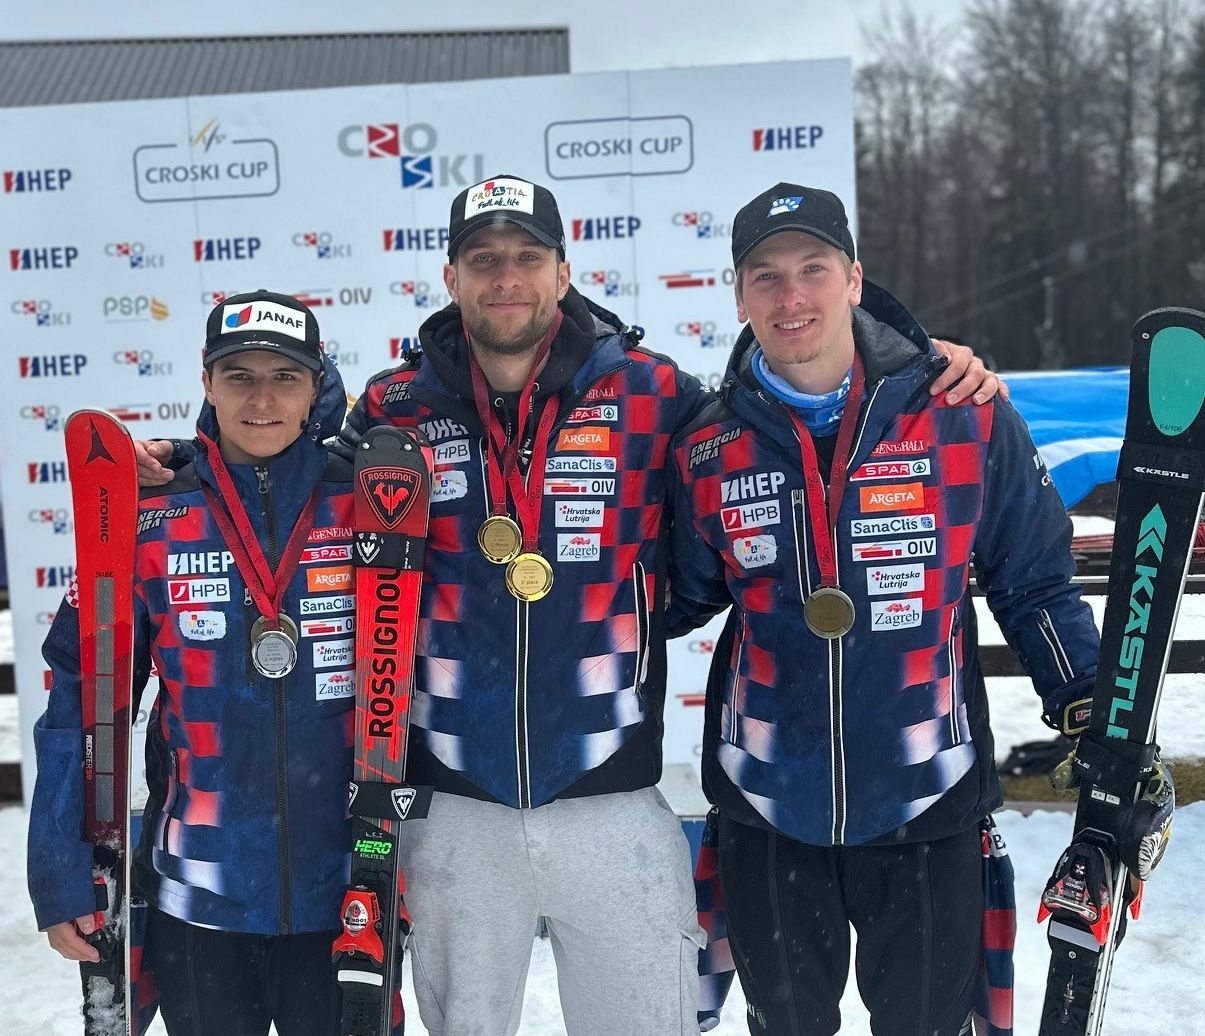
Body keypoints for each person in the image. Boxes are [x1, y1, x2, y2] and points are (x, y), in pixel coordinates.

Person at [130, 176, 1002, 1036]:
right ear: (450, 278)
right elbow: (285, 451)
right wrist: (183, 456)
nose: (505, 279)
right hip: (454, 810)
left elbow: (772, 427)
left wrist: (922, 363)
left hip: (609, 798)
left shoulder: (655, 395)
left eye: (526, 257)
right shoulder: (394, 406)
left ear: (561, 270)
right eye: (482, 260)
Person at [667, 184, 1101, 1036]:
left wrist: (1089, 709)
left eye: (812, 269)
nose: (791, 297)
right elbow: (675, 595)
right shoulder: (706, 445)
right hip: (766, 806)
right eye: (765, 276)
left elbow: (1033, 580)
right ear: (737, 294)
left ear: (855, 280)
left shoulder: (961, 413)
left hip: (925, 798)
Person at [28, 290, 356, 1036]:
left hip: (347, 889)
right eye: (239, 377)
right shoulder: (149, 516)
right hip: (196, 893)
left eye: (285, 377)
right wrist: (61, 869)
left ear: (317, 388)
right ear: (207, 383)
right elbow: (82, 700)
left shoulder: (368, 500)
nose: (263, 398)